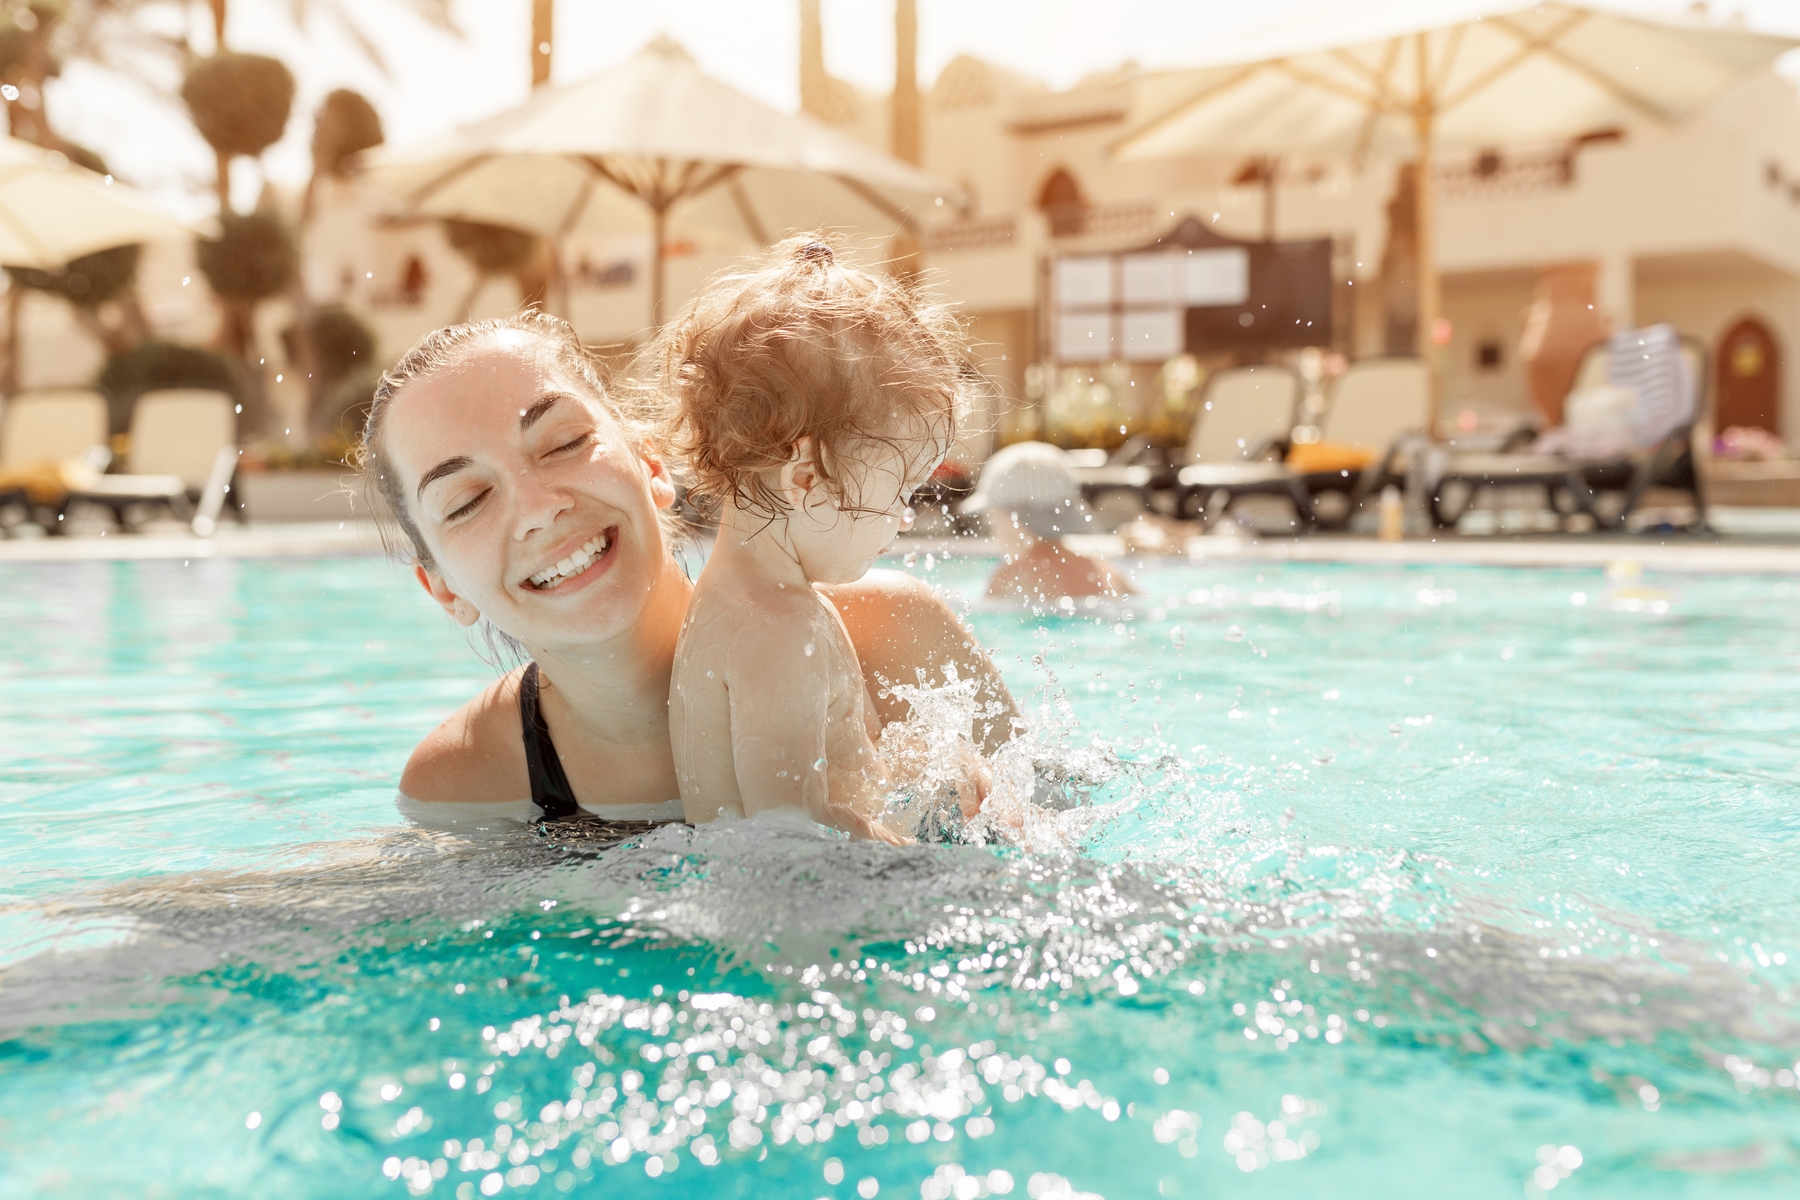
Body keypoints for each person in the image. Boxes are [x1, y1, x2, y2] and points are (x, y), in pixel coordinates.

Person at [353, 309, 1018, 826]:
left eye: (563, 442)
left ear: (649, 464)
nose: (538, 509)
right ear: (441, 588)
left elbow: (1064, 838)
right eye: (467, 501)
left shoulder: (892, 639)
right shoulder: (467, 784)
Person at [659, 237, 984, 841]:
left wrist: (922, 766)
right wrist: (912, 856)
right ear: (808, 479)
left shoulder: (744, 602)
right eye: (903, 490)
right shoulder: (779, 630)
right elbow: (785, 832)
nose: (906, 518)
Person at [965, 441, 1135, 605]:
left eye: (991, 516)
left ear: (1013, 519)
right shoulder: (1106, 572)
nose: (991, 525)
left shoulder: (1009, 577)